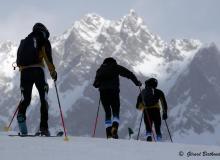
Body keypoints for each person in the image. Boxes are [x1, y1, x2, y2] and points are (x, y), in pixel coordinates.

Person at [16, 23, 57, 136]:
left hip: (24, 72)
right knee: (44, 99)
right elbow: (47, 57)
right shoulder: (42, 39)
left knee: (26, 99)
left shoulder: (25, 41)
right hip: (37, 70)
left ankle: (21, 120)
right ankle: (43, 128)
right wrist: (53, 72)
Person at [93, 57, 142, 139]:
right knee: (115, 112)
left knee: (108, 113)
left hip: (103, 93)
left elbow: (95, 84)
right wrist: (137, 82)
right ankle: (114, 130)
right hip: (114, 92)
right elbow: (129, 74)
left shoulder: (100, 70)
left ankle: (109, 134)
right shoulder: (115, 67)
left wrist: (101, 83)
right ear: (113, 62)